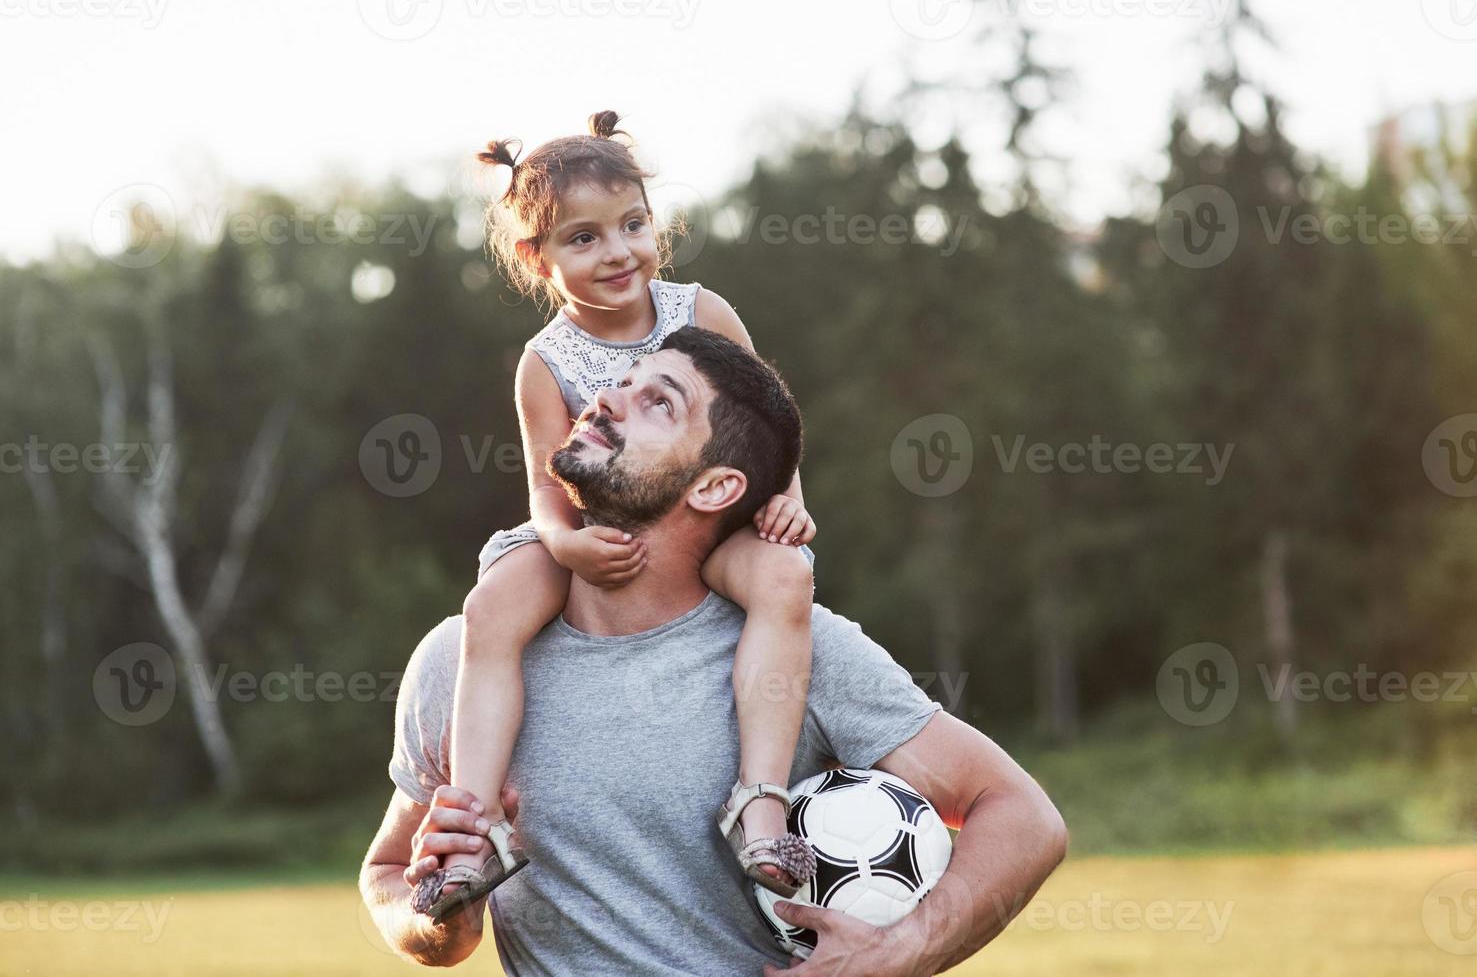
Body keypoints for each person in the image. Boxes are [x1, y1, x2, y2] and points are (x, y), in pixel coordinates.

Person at [360, 326, 1068, 974]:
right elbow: (391, 876)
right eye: (621, 381)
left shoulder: (799, 651)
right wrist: (440, 915)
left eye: (657, 403)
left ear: (715, 486)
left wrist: (905, 950)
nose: (605, 399)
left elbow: (1018, 816)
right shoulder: (465, 655)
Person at [418, 110, 819, 921]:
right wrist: (564, 543)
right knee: (490, 609)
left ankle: (761, 804)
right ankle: (476, 826)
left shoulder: (701, 311)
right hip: (587, 530)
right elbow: (542, 481)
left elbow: (766, 420)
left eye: (632, 224)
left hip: (702, 528)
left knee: (785, 576)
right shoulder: (543, 362)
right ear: (535, 258)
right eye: (584, 238)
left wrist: (788, 500)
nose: (619, 252)